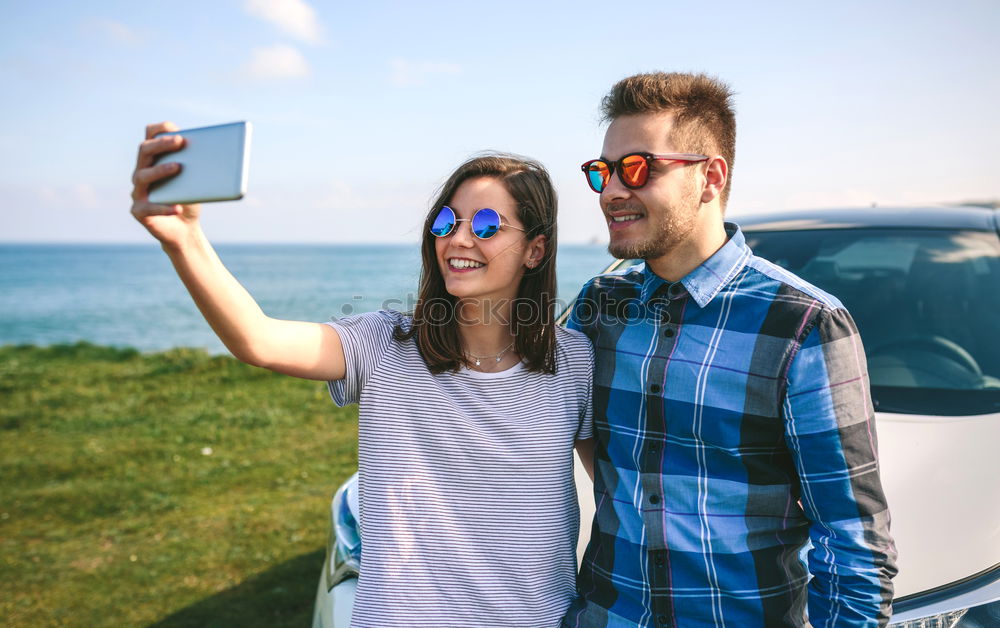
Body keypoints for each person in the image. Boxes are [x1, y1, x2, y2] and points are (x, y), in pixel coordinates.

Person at [130, 123, 595, 627]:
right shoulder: (383, 345)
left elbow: (621, 504)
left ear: (535, 250)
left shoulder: (574, 364)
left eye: (486, 224)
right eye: (447, 221)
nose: (458, 238)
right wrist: (184, 239)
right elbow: (257, 340)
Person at [562, 73, 897, 627]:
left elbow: (853, 543)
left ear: (710, 177)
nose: (612, 191)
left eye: (637, 168)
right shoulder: (601, 304)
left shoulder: (804, 324)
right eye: (602, 172)